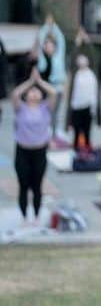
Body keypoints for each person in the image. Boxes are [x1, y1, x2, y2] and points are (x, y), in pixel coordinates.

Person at [11, 69, 58, 225]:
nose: (33, 93)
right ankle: (24, 217)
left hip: (39, 151)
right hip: (23, 151)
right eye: (31, 92)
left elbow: (53, 93)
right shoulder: (21, 108)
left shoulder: (45, 108)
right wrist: (30, 82)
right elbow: (15, 94)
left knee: (37, 186)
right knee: (23, 185)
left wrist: (39, 82)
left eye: (36, 92)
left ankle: (37, 216)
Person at [66, 54, 100, 151]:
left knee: (87, 132)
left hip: (87, 107)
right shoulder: (75, 75)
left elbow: (94, 93)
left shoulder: (91, 75)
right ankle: (76, 154)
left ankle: (87, 153)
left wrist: (93, 108)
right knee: (76, 132)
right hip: (76, 107)